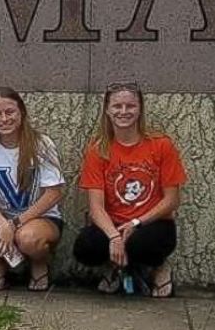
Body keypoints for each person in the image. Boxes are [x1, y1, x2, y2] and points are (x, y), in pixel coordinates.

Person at [73, 82, 186, 298]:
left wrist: (136, 223)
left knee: (140, 244)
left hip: (151, 224)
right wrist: (114, 236)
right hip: (113, 223)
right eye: (117, 106)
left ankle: (158, 268)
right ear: (107, 110)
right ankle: (116, 265)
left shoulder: (161, 145)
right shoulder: (99, 150)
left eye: (130, 106)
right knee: (86, 247)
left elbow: (172, 200)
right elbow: (96, 208)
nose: (123, 112)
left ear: (140, 109)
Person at [0, 87, 65, 291]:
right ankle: (3, 263)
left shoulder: (41, 144)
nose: (4, 119)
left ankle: (38, 263)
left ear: (21, 113)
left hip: (40, 218)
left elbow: (54, 193)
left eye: (9, 112)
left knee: (28, 238)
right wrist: (4, 225)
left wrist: (15, 224)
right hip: (3, 217)